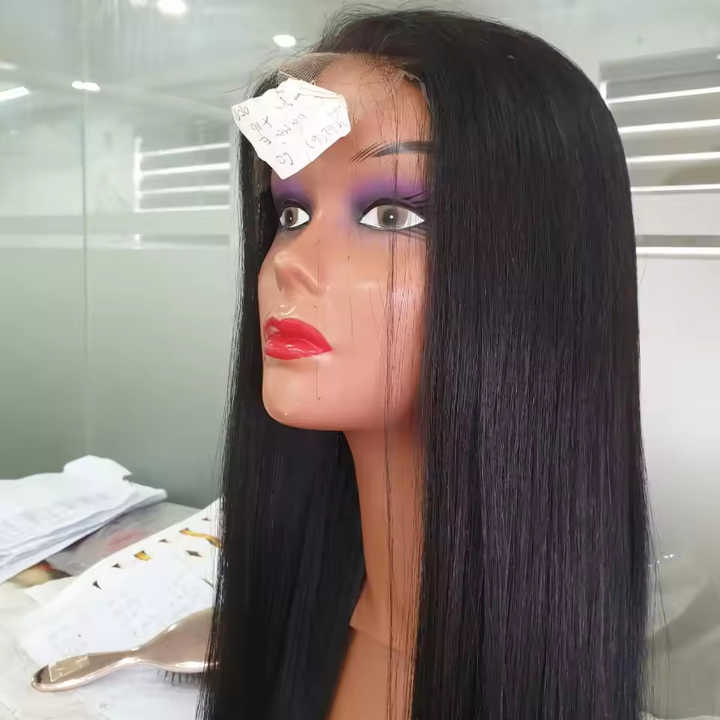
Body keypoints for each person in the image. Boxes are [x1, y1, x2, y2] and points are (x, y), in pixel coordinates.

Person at [198, 8, 656, 720]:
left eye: (390, 214)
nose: (291, 264)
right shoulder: (296, 610)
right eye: (291, 213)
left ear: (534, 274)